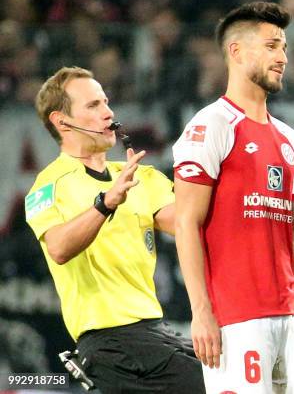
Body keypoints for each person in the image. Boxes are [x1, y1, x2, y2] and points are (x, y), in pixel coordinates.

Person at [172, 1, 294, 393]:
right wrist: (201, 312)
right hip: (235, 320)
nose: (282, 57)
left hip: (289, 317)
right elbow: (186, 223)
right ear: (236, 51)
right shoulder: (210, 125)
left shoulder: (291, 141)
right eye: (271, 46)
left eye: (283, 47)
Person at [25, 67, 204, 393]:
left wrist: (217, 177)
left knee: (226, 377)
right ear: (61, 121)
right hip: (111, 343)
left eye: (106, 102)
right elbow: (59, 247)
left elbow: (187, 223)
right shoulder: (48, 185)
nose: (108, 112)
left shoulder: (139, 176)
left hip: (153, 335)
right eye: (93, 106)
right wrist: (105, 202)